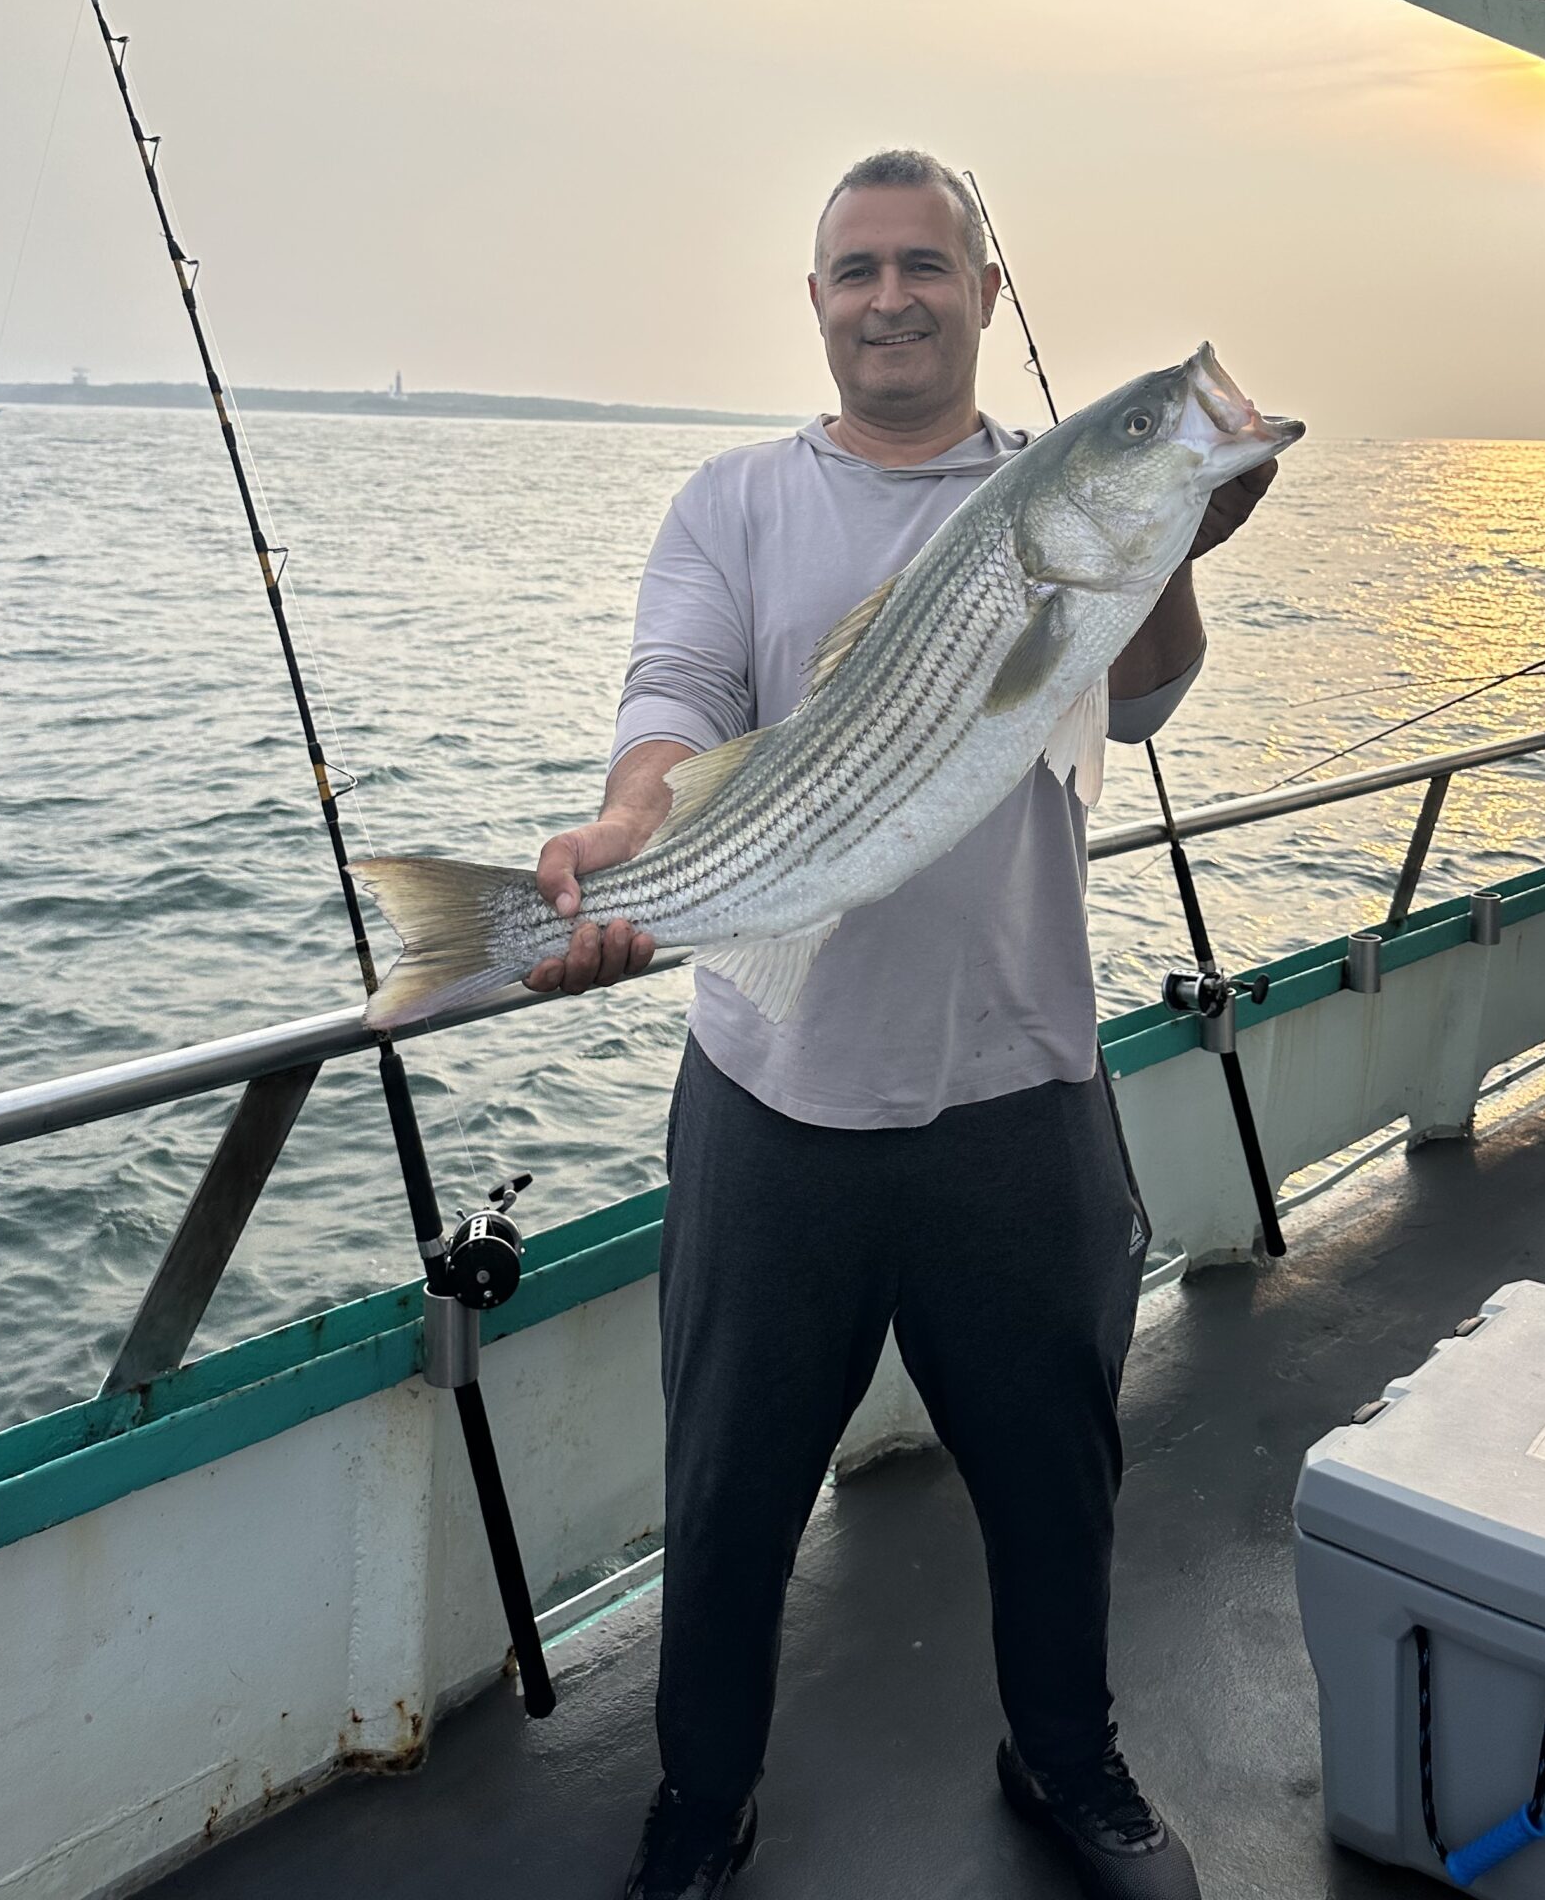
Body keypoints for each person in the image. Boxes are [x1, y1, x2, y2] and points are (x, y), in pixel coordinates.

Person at [528, 150, 1277, 1900]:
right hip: (770, 1097)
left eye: (927, 266)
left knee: (1056, 1477)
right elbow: (676, 702)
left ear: (987, 297)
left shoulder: (1050, 494)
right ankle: (701, 1804)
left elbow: (1146, 699)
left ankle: (1070, 1757)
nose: (891, 298)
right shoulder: (734, 501)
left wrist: (1173, 521)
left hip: (1019, 1090)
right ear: (815, 303)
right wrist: (637, 830)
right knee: (727, 1499)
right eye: (857, 269)